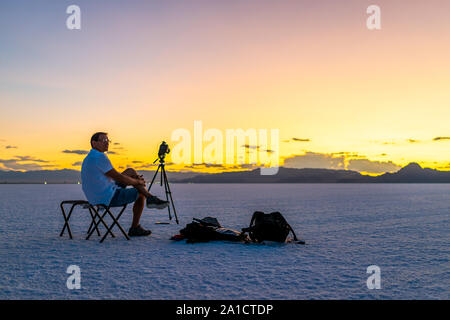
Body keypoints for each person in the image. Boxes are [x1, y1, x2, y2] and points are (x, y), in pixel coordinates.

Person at [81, 132, 169, 237]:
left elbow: (117, 176)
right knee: (140, 193)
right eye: (103, 141)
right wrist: (138, 182)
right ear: (94, 143)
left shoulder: (90, 157)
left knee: (130, 171)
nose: (107, 143)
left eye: (108, 141)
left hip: (96, 195)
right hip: (107, 197)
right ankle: (135, 227)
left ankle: (150, 197)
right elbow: (119, 178)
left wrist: (135, 180)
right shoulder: (99, 157)